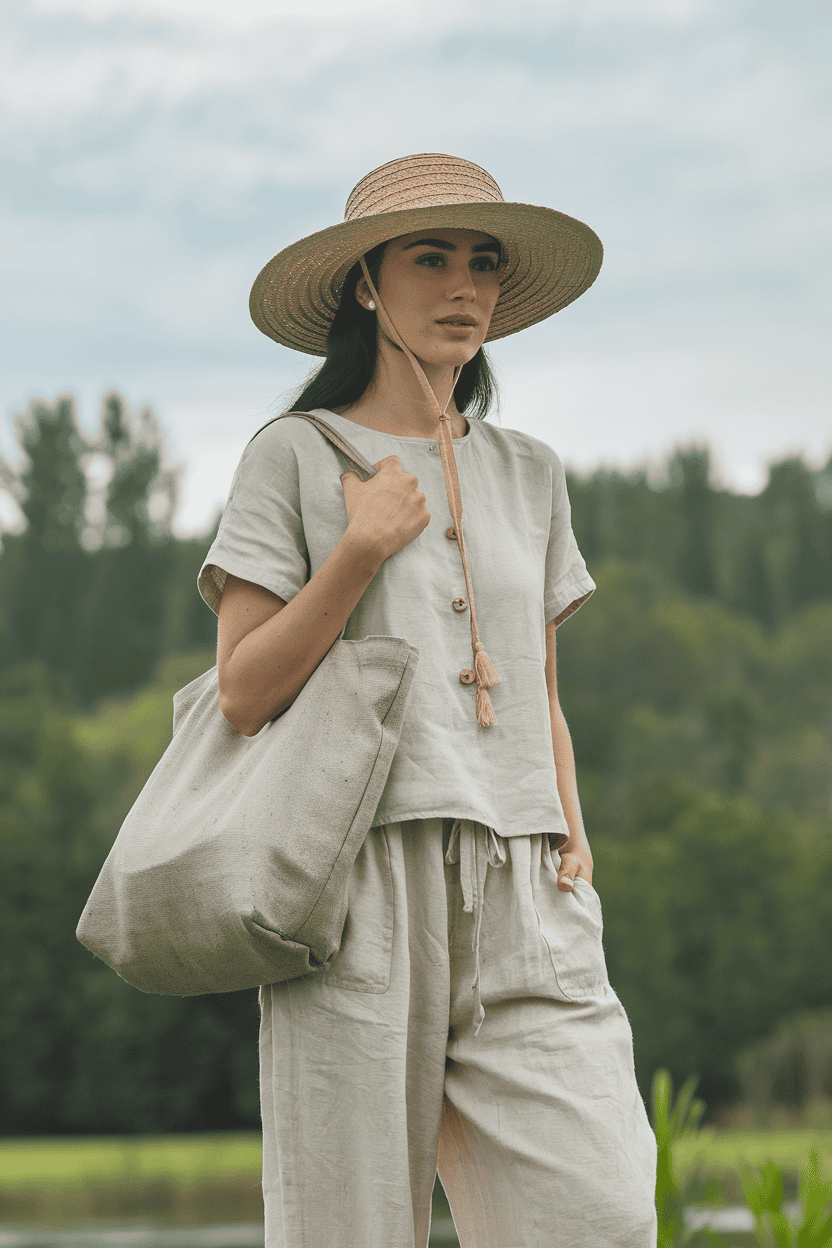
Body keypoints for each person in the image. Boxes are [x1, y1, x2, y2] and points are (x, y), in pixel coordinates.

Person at [198, 153, 657, 1248]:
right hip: (362, 886)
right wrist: (357, 551)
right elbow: (243, 690)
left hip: (527, 886)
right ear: (366, 282)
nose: (465, 285)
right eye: (432, 256)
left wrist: (571, 846)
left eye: (484, 261)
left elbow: (540, 686)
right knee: (348, 1229)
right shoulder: (295, 457)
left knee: (602, 1215)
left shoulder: (530, 472)